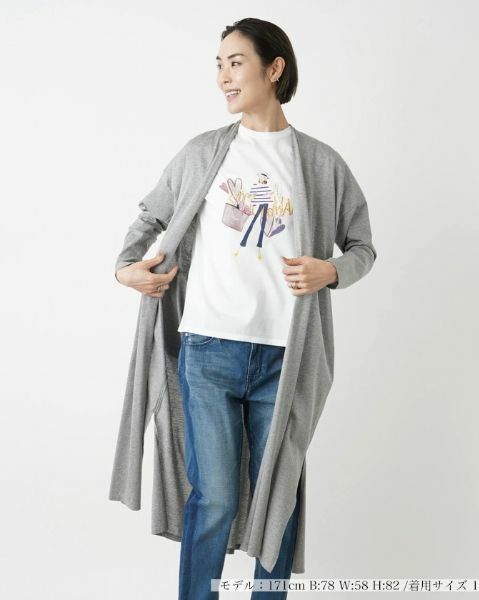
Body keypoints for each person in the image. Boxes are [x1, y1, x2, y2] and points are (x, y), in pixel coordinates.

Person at [114, 18, 374, 600]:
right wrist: (126, 268)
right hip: (208, 350)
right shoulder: (204, 153)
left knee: (279, 496)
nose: (223, 77)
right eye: (219, 65)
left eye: (235, 62)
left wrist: (332, 271)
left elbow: (363, 246)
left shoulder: (321, 163)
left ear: (274, 68)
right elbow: (152, 215)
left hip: (286, 358)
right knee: (214, 499)